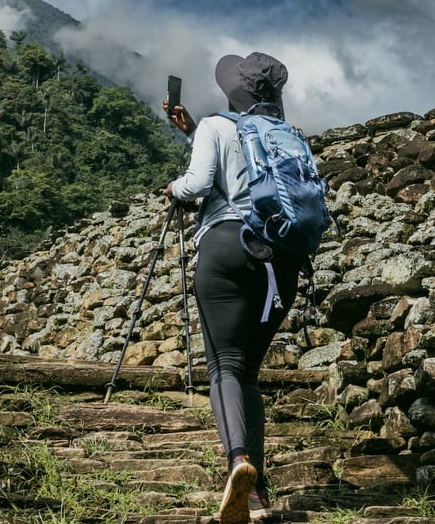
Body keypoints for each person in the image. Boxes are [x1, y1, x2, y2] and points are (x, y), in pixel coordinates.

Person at [164, 52, 303, 524]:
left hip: (226, 247)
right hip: (281, 261)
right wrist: (190, 132)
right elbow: (251, 180)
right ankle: (256, 496)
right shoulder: (285, 137)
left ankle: (237, 461)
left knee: (224, 365)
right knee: (248, 374)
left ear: (233, 91)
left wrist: (175, 189)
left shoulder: (216, 126)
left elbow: (201, 182)